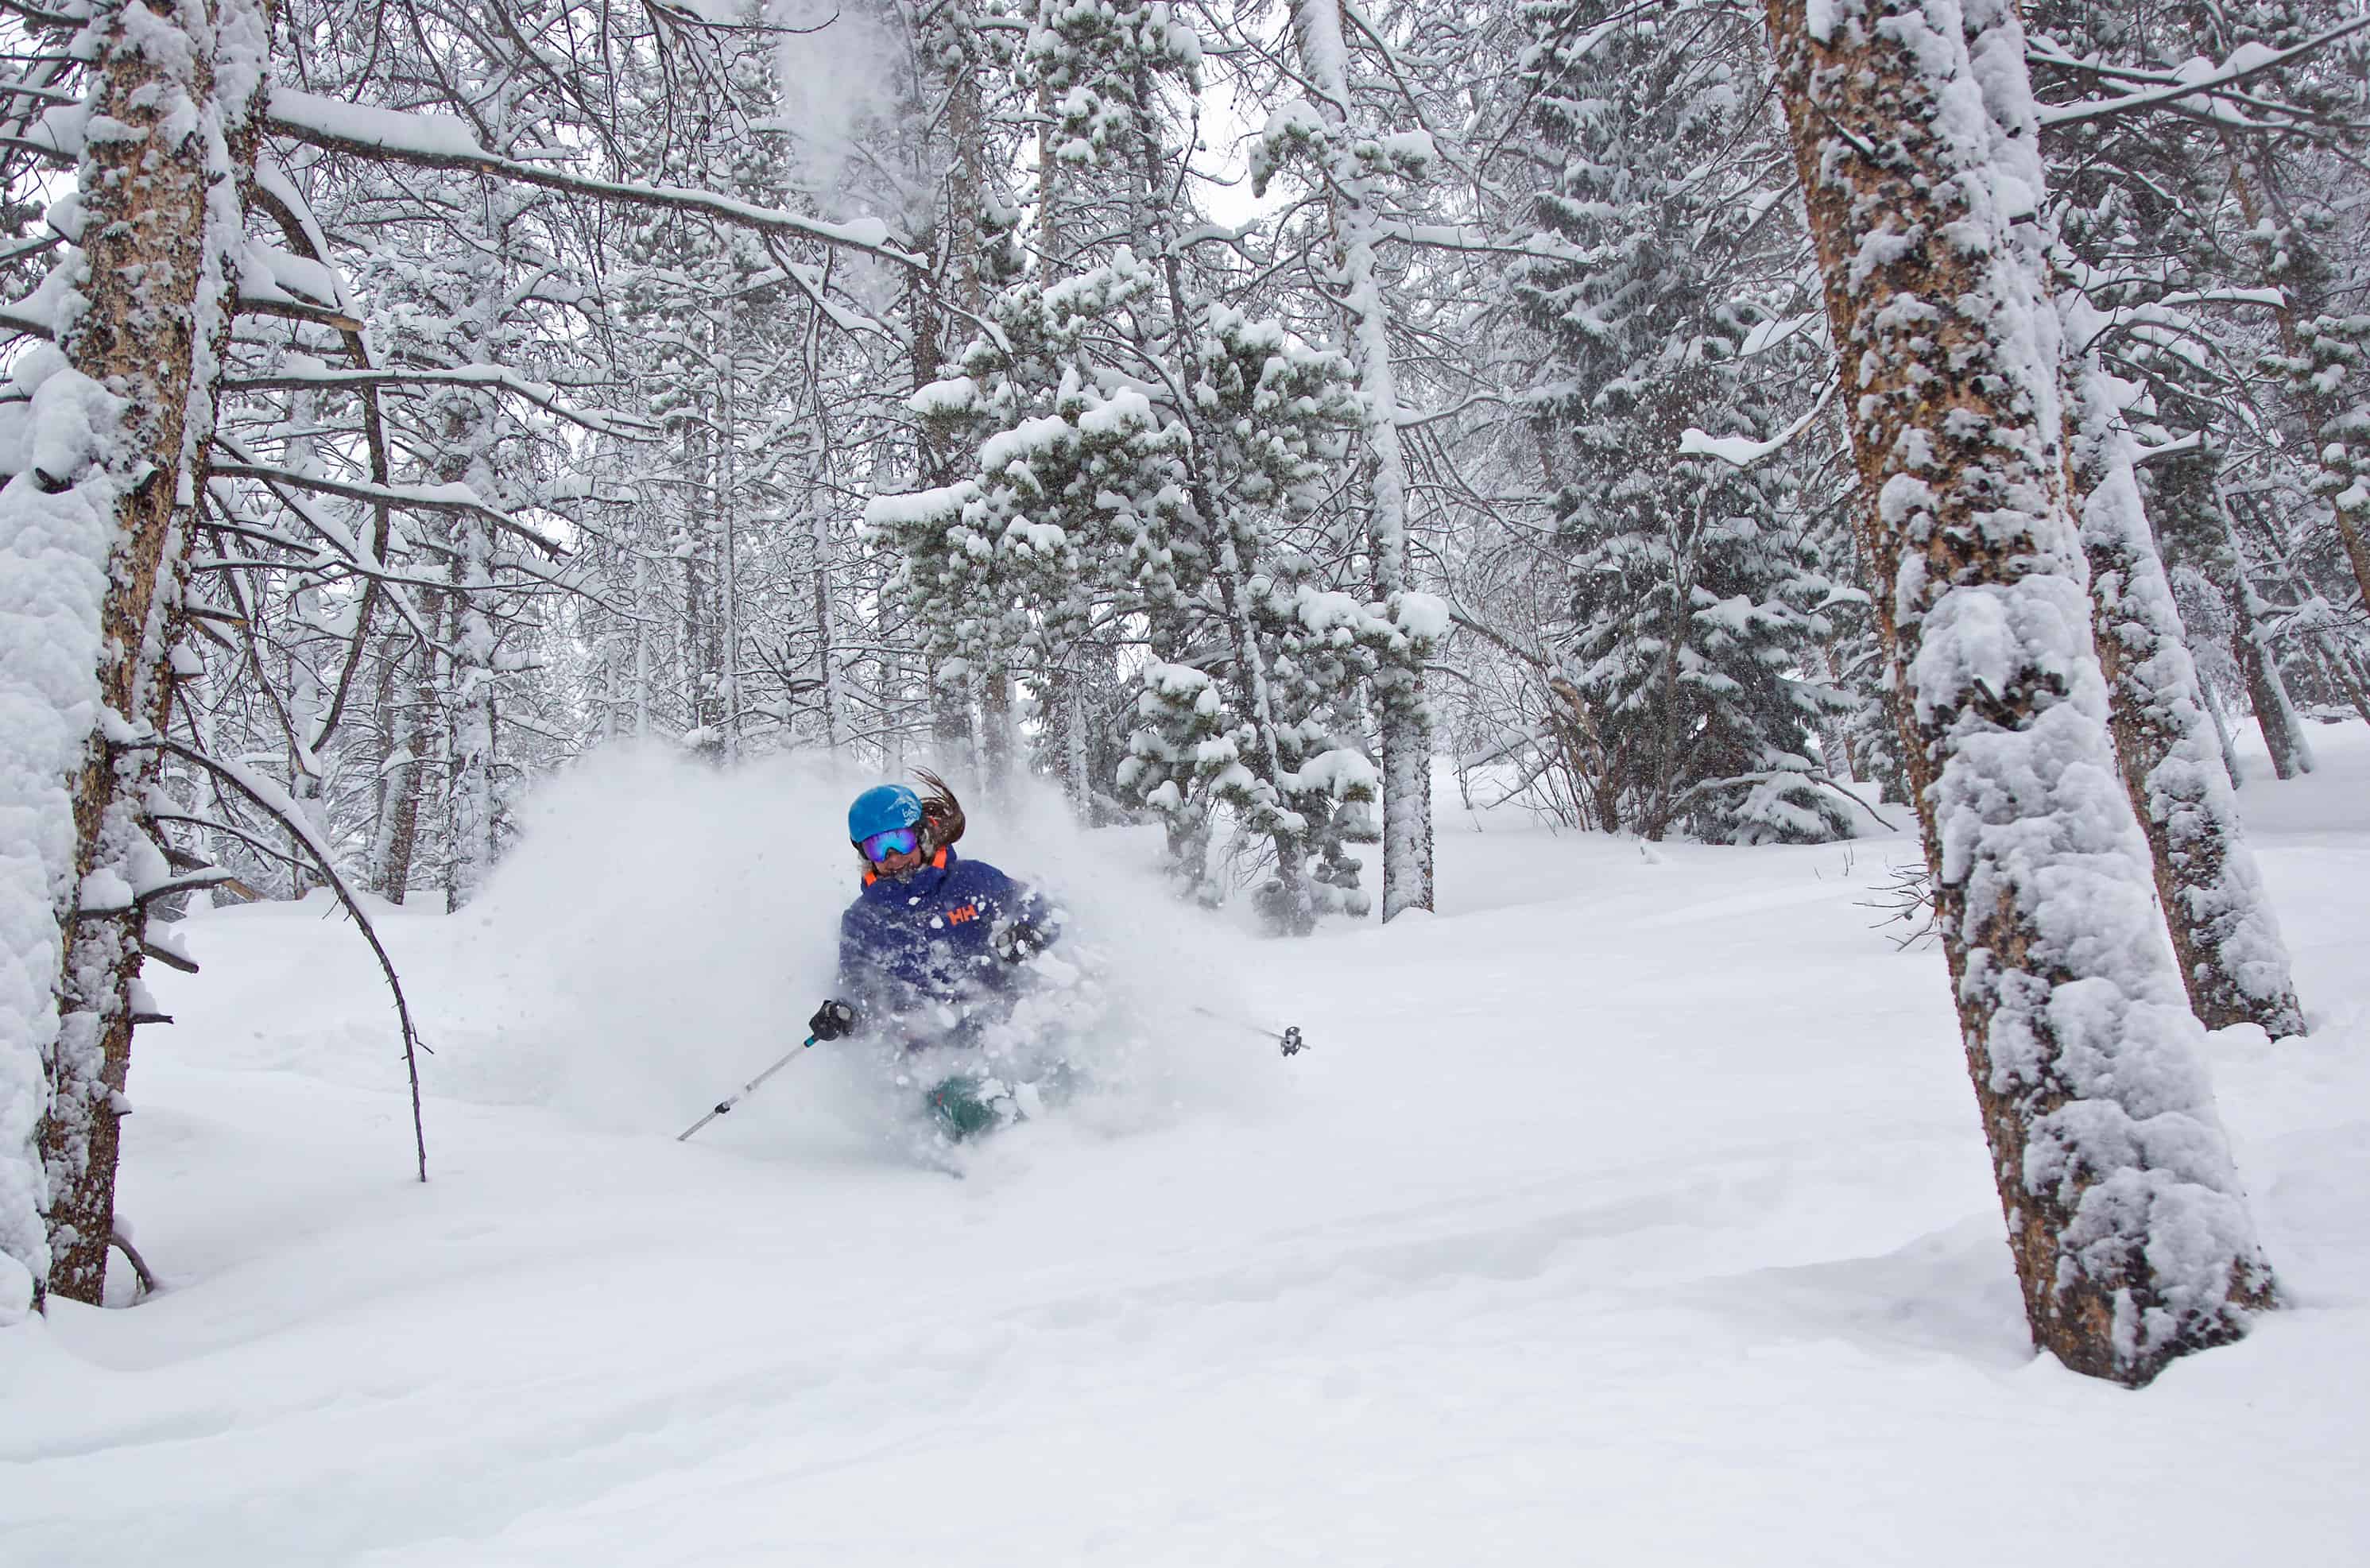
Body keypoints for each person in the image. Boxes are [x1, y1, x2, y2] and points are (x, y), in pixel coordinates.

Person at [807, 771, 1060, 1141]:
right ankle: (1011, 1170)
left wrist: (1030, 932)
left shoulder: (974, 881)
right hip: (939, 1059)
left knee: (1064, 1080)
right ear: (865, 855)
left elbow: (1046, 912)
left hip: (1009, 1028)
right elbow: (861, 994)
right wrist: (843, 1017)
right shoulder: (865, 921)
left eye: (899, 841)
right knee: (983, 1113)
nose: (892, 858)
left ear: (922, 834)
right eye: (878, 849)